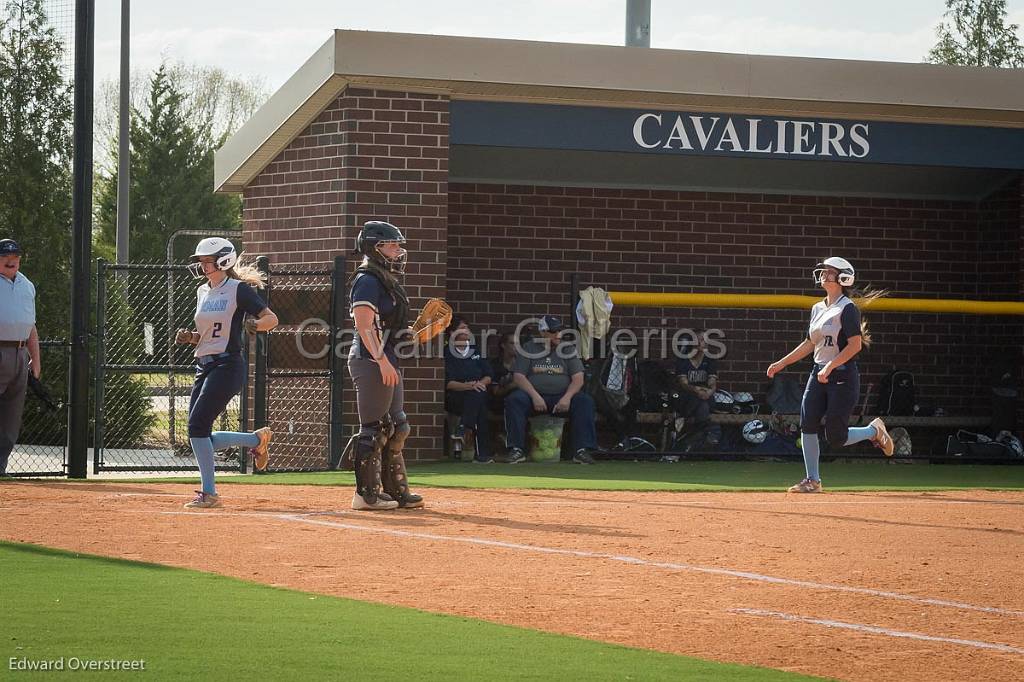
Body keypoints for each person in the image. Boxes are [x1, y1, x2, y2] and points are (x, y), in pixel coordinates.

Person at [766, 257, 894, 493]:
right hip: (819, 372)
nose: (824, 274)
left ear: (844, 278)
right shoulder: (817, 307)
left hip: (842, 375)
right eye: (823, 271)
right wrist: (782, 363)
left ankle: (873, 431)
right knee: (807, 423)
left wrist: (831, 366)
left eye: (830, 272)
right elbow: (809, 344)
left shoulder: (848, 308)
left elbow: (854, 346)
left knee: (836, 436)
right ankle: (812, 480)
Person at [175, 238, 278, 508]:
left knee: (197, 426)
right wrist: (192, 337)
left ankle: (209, 493)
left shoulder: (237, 289)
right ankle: (256, 440)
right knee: (199, 433)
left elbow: (271, 318)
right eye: (201, 261)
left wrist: (255, 324)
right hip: (204, 364)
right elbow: (210, 334)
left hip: (228, 365)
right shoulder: (202, 291)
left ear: (223, 261)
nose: (202, 266)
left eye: (207, 261)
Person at [348, 221, 424, 510]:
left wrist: (409, 334)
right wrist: (381, 360)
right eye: (392, 244)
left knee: (398, 426)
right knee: (375, 428)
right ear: (374, 247)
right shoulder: (367, 279)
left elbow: (387, 325)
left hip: (386, 358)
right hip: (371, 360)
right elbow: (364, 326)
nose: (398, 250)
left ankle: (395, 491)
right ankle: (365, 494)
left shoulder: (385, 279)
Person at [504, 315, 598, 464]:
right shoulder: (529, 348)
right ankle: (517, 449)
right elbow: (519, 377)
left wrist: (567, 397)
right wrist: (535, 396)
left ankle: (581, 450)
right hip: (533, 397)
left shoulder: (568, 349)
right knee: (514, 400)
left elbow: (578, 378)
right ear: (542, 332)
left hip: (561, 398)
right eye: (553, 331)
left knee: (584, 402)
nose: (558, 335)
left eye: (559, 330)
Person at [0, 239, 40, 477]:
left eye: (15, 255)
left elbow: (31, 326)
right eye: (5, 255)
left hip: (19, 352)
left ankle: (0, 468)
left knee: (11, 418)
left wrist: (36, 359)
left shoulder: (26, 285)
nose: (10, 259)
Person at [444, 317, 495, 463]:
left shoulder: (476, 351)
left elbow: (489, 375)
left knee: (478, 399)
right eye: (462, 328)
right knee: (479, 404)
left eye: (467, 328)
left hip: (477, 394)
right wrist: (470, 386)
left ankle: (463, 426)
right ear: (452, 332)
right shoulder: (447, 353)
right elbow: (449, 383)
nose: (467, 331)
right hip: (456, 397)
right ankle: (482, 454)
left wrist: (478, 384)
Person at [673, 331, 718, 433]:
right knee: (703, 405)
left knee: (704, 402)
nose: (699, 343)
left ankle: (683, 418)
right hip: (686, 397)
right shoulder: (683, 360)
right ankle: (700, 435)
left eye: (702, 340)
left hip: (705, 395)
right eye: (696, 340)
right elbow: (684, 384)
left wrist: (709, 392)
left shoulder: (710, 360)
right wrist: (696, 390)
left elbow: (712, 383)